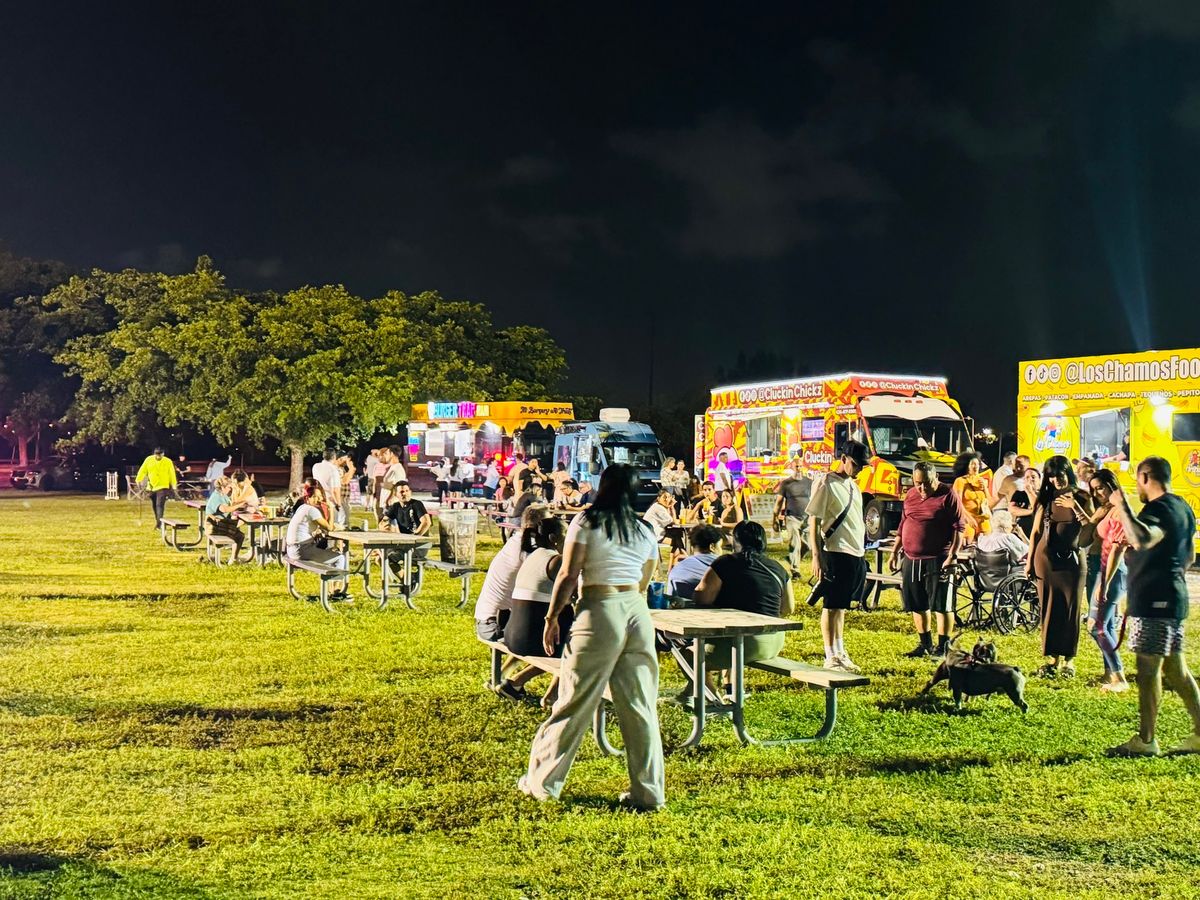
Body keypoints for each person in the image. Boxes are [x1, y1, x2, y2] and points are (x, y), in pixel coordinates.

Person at [520, 464, 664, 811]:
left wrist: (552, 617)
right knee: (640, 704)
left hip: (599, 608)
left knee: (574, 699)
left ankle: (543, 782)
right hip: (636, 611)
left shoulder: (586, 522)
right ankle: (648, 793)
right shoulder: (645, 530)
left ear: (603, 487)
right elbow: (646, 578)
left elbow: (569, 574)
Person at [1107, 457, 1200, 756]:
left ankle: (1146, 740)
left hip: (1155, 601)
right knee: (1176, 670)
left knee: (1148, 671)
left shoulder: (1158, 509)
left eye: (1138, 480)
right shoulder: (1184, 507)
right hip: (1173, 596)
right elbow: (1189, 558)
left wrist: (1122, 506)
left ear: (1146, 477)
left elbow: (1142, 538)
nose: (1138, 487)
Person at [692, 521, 794, 695]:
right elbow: (788, 608)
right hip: (773, 642)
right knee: (732, 640)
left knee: (688, 655)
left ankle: (714, 701)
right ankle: (724, 689)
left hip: (743, 643)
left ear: (735, 541)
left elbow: (703, 597)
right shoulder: (779, 568)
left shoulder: (724, 563)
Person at [1026, 455, 1095, 679]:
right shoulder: (1046, 498)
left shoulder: (1082, 496)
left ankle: (1069, 661)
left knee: (1070, 608)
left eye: (1060, 474)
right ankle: (1051, 658)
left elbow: (1091, 527)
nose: (1056, 479)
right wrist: (1028, 561)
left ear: (1069, 473)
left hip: (1072, 560)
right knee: (1048, 608)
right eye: (1051, 475)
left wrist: (1074, 506)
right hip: (1045, 560)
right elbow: (1036, 532)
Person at [474, 506, 552, 700]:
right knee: (557, 644)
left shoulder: (517, 541)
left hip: (489, 618)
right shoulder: (532, 552)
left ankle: (500, 678)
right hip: (494, 624)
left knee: (532, 629)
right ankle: (516, 684)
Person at [889, 460, 966, 658]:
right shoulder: (911, 495)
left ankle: (943, 647)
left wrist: (953, 556)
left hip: (939, 558)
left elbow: (959, 528)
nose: (922, 487)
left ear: (936, 478)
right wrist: (895, 551)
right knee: (917, 603)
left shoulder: (948, 495)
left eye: (927, 483)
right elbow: (903, 523)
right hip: (912, 558)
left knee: (942, 604)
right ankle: (925, 644)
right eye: (918, 483)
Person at [807, 440, 870, 673]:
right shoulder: (826, 482)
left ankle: (840, 651)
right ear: (843, 459)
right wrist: (816, 555)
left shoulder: (855, 487)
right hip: (835, 551)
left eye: (862, 466)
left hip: (855, 552)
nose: (859, 469)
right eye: (856, 464)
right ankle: (830, 654)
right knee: (831, 605)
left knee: (841, 606)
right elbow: (813, 520)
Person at [1082, 469, 1129, 693]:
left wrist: (1105, 583)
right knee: (1105, 624)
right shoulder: (1107, 509)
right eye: (1094, 489)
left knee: (1096, 626)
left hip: (1111, 571)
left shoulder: (1120, 509)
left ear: (1112, 484)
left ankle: (1119, 677)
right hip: (1101, 568)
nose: (1098, 492)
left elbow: (1118, 549)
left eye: (1101, 487)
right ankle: (1111, 673)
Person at [285, 480, 349, 600]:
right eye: (314, 497)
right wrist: (330, 508)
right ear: (307, 498)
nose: (318, 499)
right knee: (340, 558)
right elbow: (329, 528)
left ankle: (333, 591)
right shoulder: (312, 510)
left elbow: (305, 528)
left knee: (333, 554)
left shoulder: (303, 507)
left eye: (320, 496)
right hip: (301, 550)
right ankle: (335, 592)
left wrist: (314, 534)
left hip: (292, 549)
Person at [379, 481, 431, 591]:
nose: (405, 494)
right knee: (380, 558)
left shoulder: (417, 504)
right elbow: (383, 522)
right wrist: (384, 526)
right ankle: (408, 579)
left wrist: (414, 538)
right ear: (396, 494)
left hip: (419, 546)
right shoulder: (395, 507)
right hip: (404, 545)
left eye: (407, 491)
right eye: (402, 491)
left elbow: (426, 522)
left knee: (387, 558)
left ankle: (408, 582)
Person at [666, 524, 722, 599]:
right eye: (720, 546)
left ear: (692, 548)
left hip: (681, 608)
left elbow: (670, 597)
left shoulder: (676, 569)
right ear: (712, 547)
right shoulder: (723, 566)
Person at [774, 468, 811, 578]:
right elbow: (779, 502)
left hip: (807, 517)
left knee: (808, 545)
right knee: (795, 543)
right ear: (793, 468)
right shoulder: (786, 484)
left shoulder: (809, 482)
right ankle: (795, 571)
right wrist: (775, 518)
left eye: (800, 466)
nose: (798, 469)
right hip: (792, 517)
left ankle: (793, 559)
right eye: (796, 466)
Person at [951, 452, 992, 543]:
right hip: (967, 518)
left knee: (987, 544)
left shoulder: (982, 480)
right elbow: (957, 503)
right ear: (966, 466)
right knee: (968, 541)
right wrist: (968, 518)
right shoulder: (960, 481)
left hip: (983, 518)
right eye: (973, 464)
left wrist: (985, 488)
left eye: (977, 464)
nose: (976, 466)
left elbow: (990, 502)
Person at [204, 475, 247, 557]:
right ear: (222, 487)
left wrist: (242, 505)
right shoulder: (216, 496)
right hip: (214, 526)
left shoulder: (222, 495)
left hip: (220, 524)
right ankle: (233, 559)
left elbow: (231, 505)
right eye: (229, 487)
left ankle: (234, 559)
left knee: (239, 534)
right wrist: (239, 505)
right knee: (240, 527)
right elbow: (224, 509)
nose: (230, 489)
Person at [136, 446, 178, 528]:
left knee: (159, 505)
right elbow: (143, 470)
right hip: (151, 487)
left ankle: (159, 524)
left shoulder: (168, 461)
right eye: (157, 455)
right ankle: (158, 521)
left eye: (160, 455)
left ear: (163, 454)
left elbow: (172, 474)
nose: (158, 457)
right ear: (154, 454)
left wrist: (174, 485)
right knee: (154, 505)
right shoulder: (148, 460)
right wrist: (138, 479)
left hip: (163, 487)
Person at [312, 450, 345, 528]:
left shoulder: (316, 466)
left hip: (317, 498)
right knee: (334, 525)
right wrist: (338, 504)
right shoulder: (333, 469)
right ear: (334, 457)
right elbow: (336, 489)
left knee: (320, 525)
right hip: (330, 500)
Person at [1009, 466, 1040, 539]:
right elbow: (1012, 510)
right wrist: (1031, 511)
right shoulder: (1019, 494)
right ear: (1024, 480)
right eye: (1027, 477)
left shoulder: (1044, 494)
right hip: (1022, 532)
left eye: (1033, 477)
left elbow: (1038, 507)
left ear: (1039, 479)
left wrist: (1030, 492)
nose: (1030, 479)